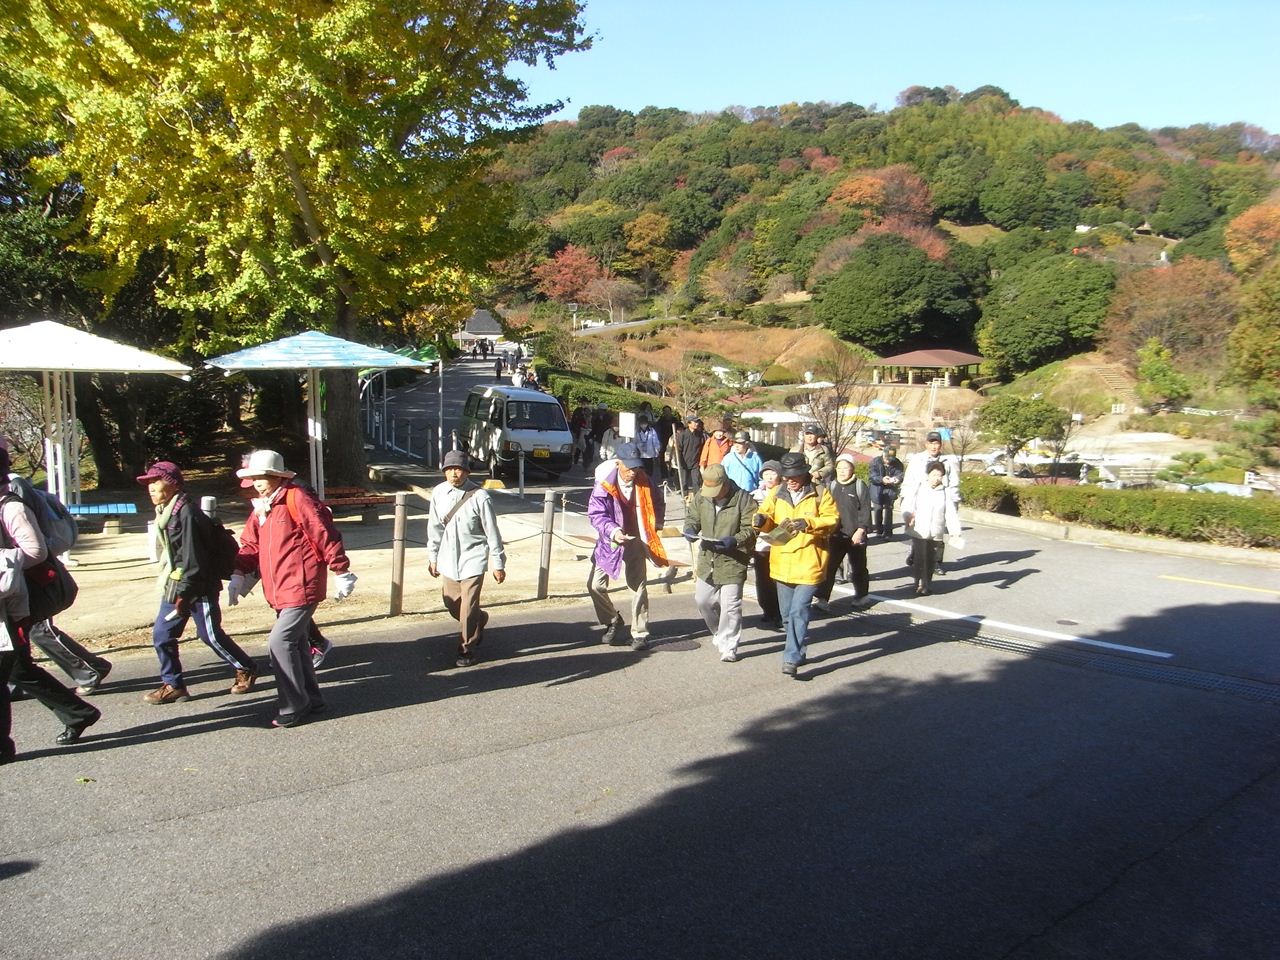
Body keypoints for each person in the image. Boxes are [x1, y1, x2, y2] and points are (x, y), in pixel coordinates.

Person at [229, 450, 356, 728]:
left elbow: (323, 532)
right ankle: (312, 700)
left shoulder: (296, 497)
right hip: (280, 588)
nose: (257, 483)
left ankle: (294, 705)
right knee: (296, 644)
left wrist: (340, 569)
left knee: (280, 642)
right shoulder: (263, 505)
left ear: (277, 476)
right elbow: (250, 543)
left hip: (301, 583)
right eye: (254, 478)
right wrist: (238, 573)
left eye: (262, 477)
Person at [0, 445, 101, 752]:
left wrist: (4, 561)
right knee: (17, 668)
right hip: (8, 602)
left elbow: (36, 551)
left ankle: (4, 746)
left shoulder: (11, 508)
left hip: (14, 603)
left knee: (12, 668)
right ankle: (78, 713)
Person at [139, 460, 259, 705]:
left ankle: (245, 667)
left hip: (199, 586)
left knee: (210, 636)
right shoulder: (166, 511)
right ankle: (174, 685)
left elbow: (195, 560)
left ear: (173, 484)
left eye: (156, 481)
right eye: (148, 482)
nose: (151, 487)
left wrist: (185, 595)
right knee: (162, 635)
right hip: (175, 583)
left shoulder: (188, 514)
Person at [752, 451, 837, 678]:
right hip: (782, 561)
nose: (790, 480)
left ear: (804, 473)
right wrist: (761, 521)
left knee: (799, 610)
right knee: (787, 615)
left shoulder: (820, 493)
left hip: (810, 561)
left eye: (794, 476)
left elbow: (832, 520)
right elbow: (766, 517)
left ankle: (790, 657)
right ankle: (799, 650)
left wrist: (808, 523)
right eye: (786, 476)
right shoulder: (776, 493)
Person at [427, 450, 506, 667]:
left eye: (459, 469)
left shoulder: (480, 497)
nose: (454, 473)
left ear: (467, 472)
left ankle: (466, 649)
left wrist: (498, 563)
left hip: (474, 557)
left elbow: (492, 532)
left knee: (468, 606)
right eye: (450, 469)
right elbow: (434, 527)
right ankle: (480, 619)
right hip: (448, 558)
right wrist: (433, 556)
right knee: (452, 602)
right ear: (444, 471)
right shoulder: (438, 493)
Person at [587, 442, 668, 651]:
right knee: (595, 585)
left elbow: (658, 502)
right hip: (610, 541)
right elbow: (596, 514)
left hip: (637, 539)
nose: (633, 472)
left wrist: (656, 524)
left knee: (638, 586)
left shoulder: (645, 481)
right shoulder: (604, 483)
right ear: (618, 463)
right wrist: (613, 531)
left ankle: (640, 633)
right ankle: (612, 619)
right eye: (629, 467)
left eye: (636, 467)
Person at [683, 464, 755, 662]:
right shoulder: (702, 496)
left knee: (730, 605)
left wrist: (735, 540)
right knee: (703, 601)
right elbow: (693, 517)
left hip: (733, 559)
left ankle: (729, 645)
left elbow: (751, 528)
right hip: (708, 558)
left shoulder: (743, 499)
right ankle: (718, 631)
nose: (712, 495)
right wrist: (690, 529)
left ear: (725, 484)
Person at [815, 453, 872, 611]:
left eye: (845, 468)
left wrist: (861, 530)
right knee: (829, 567)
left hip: (856, 535)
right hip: (836, 534)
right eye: (839, 468)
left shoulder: (860, 486)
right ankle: (822, 599)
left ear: (852, 469)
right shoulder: (832, 486)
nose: (842, 471)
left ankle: (861, 596)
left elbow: (865, 510)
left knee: (858, 568)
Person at [902, 430, 960, 573]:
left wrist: (954, 501)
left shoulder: (948, 461)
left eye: (937, 443)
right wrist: (906, 500)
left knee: (938, 533)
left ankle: (936, 562)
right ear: (926, 444)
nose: (934, 446)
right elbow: (909, 481)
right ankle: (916, 553)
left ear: (940, 445)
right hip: (921, 500)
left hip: (941, 499)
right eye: (931, 443)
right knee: (919, 531)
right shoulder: (917, 460)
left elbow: (954, 483)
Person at [901, 460, 961, 596]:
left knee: (930, 559)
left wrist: (955, 532)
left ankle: (926, 583)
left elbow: (950, 513)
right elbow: (908, 504)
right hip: (919, 529)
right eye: (934, 475)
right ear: (928, 475)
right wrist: (908, 516)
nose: (936, 478)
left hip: (935, 531)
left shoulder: (945, 492)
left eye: (939, 475)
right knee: (920, 557)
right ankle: (918, 582)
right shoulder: (919, 487)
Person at [751, 460, 783, 630]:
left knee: (777, 581)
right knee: (762, 580)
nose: (769, 477)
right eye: (766, 474)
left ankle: (779, 613)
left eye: (773, 473)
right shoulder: (754, 495)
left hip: (779, 543)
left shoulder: (785, 493)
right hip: (761, 544)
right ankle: (767, 610)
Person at [869, 445, 905, 538]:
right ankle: (879, 530)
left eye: (891, 458)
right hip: (877, 488)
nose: (888, 460)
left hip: (891, 488)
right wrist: (882, 479)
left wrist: (897, 479)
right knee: (878, 508)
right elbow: (872, 476)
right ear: (883, 454)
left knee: (889, 509)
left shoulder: (898, 463)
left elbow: (900, 475)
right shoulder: (875, 461)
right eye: (887, 458)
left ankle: (888, 532)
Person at [676, 416, 706, 497]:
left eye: (697, 422)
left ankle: (697, 498)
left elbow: (702, 447)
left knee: (696, 482)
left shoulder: (700, 435)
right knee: (684, 482)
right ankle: (685, 497)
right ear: (689, 423)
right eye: (694, 422)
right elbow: (678, 449)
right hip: (683, 462)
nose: (696, 424)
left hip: (695, 462)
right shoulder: (682, 435)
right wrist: (679, 461)